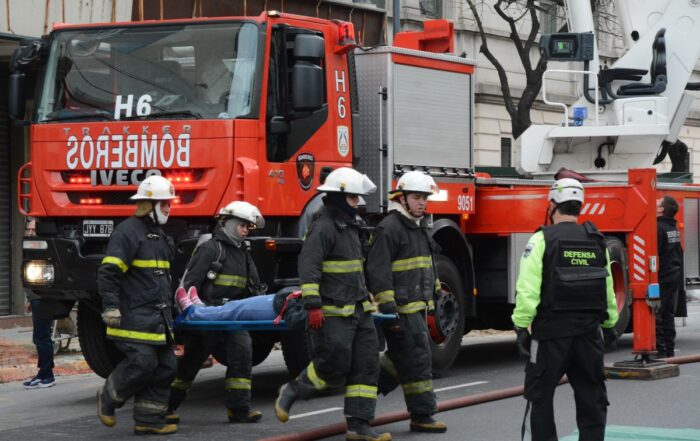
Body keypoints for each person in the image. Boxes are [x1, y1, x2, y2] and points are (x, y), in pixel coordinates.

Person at [274, 167, 392, 441]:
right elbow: (309, 267)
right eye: (353, 198)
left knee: (367, 365)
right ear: (339, 197)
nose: (357, 203)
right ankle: (293, 390)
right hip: (333, 311)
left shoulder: (352, 227)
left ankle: (359, 425)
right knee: (334, 363)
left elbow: (359, 267)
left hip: (360, 309)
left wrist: (369, 293)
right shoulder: (323, 227)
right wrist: (313, 305)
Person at [512, 178, 619, 441]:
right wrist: (610, 325)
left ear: (552, 205)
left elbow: (527, 289)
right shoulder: (597, 241)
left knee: (541, 397)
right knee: (592, 397)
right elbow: (607, 289)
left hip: (550, 335)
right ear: (580, 206)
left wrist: (521, 325)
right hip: (588, 336)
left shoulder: (541, 239)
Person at [167, 201, 266, 424]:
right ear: (228, 223)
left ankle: (239, 410)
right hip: (208, 316)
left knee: (242, 355)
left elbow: (254, 287)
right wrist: (192, 315)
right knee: (190, 363)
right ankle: (166, 407)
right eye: (242, 225)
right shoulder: (211, 249)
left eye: (248, 227)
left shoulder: (243, 253)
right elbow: (189, 285)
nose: (245, 230)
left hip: (233, 316)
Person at [96, 175, 178, 435]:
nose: (169, 208)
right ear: (149, 205)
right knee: (143, 362)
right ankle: (108, 397)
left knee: (167, 366)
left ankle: (149, 421)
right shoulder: (127, 232)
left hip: (158, 320)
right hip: (133, 317)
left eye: (169, 203)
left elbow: (163, 280)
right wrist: (110, 306)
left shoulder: (159, 236)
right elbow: (108, 273)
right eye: (164, 203)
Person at [366, 171, 447, 433]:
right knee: (418, 357)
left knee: (403, 358)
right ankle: (422, 414)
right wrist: (389, 310)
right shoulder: (389, 228)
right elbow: (378, 272)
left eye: (425, 198)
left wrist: (436, 291)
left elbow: (427, 264)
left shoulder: (418, 226)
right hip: (401, 310)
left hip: (417, 306)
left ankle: (362, 394)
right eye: (416, 197)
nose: (422, 202)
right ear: (402, 198)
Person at [22, 217, 56, 389]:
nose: (30, 233)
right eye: (28, 229)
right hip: (35, 298)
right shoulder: (32, 250)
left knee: (42, 337)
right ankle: (43, 373)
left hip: (44, 299)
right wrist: (29, 299)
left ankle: (47, 375)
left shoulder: (47, 249)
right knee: (40, 337)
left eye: (34, 230)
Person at [656, 196, 683, 358]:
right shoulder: (673, 228)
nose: (654, 202)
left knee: (657, 314)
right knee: (667, 315)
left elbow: (655, 254)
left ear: (661, 209)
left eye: (658, 201)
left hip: (662, 277)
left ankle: (660, 351)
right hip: (673, 275)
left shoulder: (658, 228)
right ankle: (669, 352)